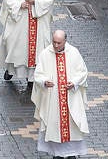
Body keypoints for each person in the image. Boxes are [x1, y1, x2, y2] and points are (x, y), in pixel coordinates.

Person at [31, 30, 89, 158]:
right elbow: (38, 74)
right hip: (53, 99)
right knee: (54, 126)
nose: (56, 45)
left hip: (71, 98)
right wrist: (44, 82)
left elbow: (83, 72)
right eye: (54, 42)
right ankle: (56, 152)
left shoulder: (74, 53)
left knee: (72, 126)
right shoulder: (45, 54)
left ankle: (72, 153)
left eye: (59, 43)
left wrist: (74, 83)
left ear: (65, 41)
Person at [0, 0, 54, 86]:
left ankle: (31, 78)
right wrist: (20, 5)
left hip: (38, 23)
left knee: (37, 51)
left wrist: (35, 2)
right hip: (20, 23)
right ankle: (10, 70)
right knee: (17, 49)